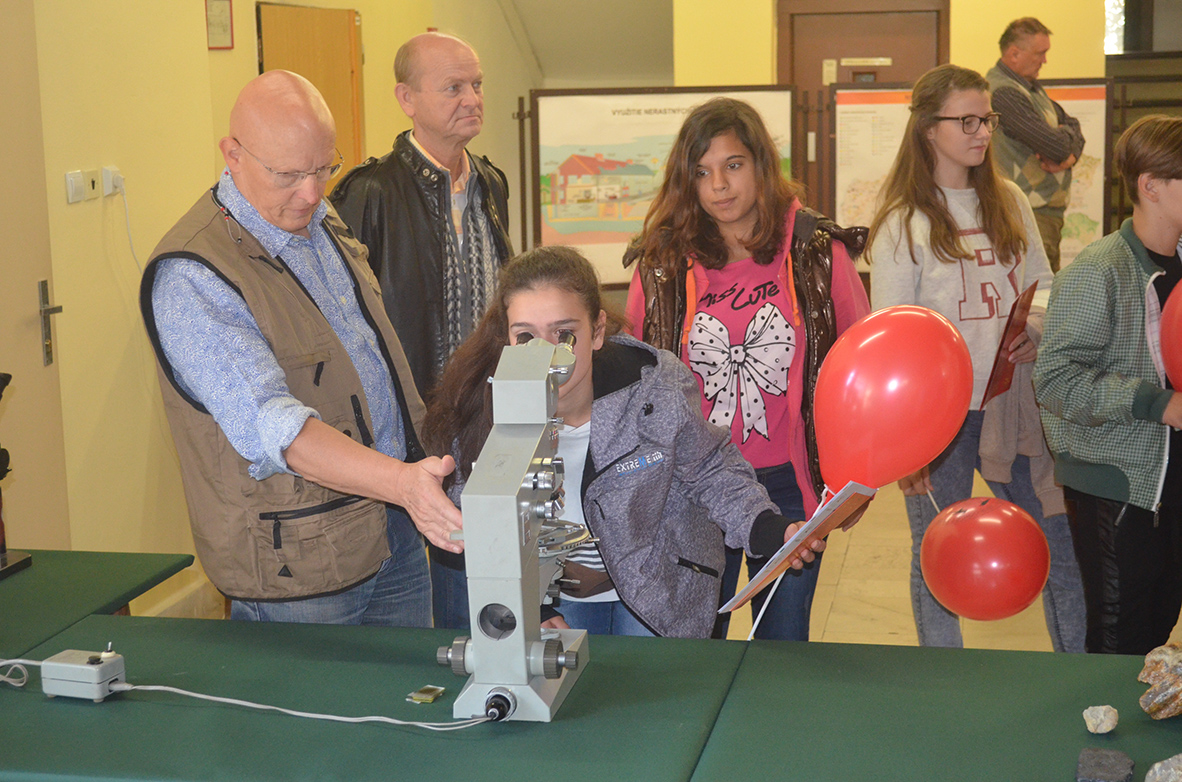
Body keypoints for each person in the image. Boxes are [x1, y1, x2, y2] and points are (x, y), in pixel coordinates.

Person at [140, 71, 463, 626]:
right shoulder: (193, 274)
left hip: (392, 525)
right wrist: (402, 484)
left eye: (323, 168)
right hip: (299, 561)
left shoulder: (317, 215)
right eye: (288, 174)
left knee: (405, 683)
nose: (311, 193)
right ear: (232, 154)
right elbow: (274, 426)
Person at [421, 246, 824, 638]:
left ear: (597, 331)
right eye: (526, 336)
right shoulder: (484, 410)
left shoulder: (654, 388)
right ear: (506, 339)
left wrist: (766, 527)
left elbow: (710, 469)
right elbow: (477, 522)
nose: (546, 354)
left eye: (564, 334)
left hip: (660, 585)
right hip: (562, 593)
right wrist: (530, 605)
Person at [623, 97, 870, 641]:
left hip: (788, 484)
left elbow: (860, 369)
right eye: (701, 172)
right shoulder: (661, 266)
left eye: (733, 165)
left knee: (780, 650)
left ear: (761, 165)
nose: (719, 185)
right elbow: (638, 385)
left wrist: (853, 478)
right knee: (695, 644)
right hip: (695, 483)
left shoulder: (817, 254)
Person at [868, 64, 1085, 651]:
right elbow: (893, 337)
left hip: (1013, 404)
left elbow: (1043, 284)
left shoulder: (1009, 199)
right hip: (939, 420)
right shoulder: (902, 221)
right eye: (966, 121)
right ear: (928, 129)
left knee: (1058, 544)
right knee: (938, 552)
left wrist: (1036, 328)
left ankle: (1078, 668)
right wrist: (905, 441)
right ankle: (944, 678)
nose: (983, 132)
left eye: (986, 119)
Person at [330, 32, 513, 629]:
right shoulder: (369, 192)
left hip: (484, 420)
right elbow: (342, 322)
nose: (472, 99)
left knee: (483, 583)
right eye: (453, 87)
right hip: (408, 434)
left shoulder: (491, 183)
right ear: (406, 99)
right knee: (421, 593)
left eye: (476, 85)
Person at [1034, 115, 1182, 655]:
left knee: (1163, 620)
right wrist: (1157, 403)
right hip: (1115, 482)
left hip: (1173, 477)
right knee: (1121, 635)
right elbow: (1055, 378)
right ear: (1151, 186)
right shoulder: (1098, 271)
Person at [986, 17, 1085, 273]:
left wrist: (1070, 157)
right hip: (1027, 214)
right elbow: (1056, 148)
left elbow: (1074, 128)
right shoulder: (1005, 94)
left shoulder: (1031, 89)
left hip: (1043, 213)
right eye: (1040, 53)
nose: (1045, 60)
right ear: (1014, 53)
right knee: (1037, 291)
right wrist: (1065, 149)